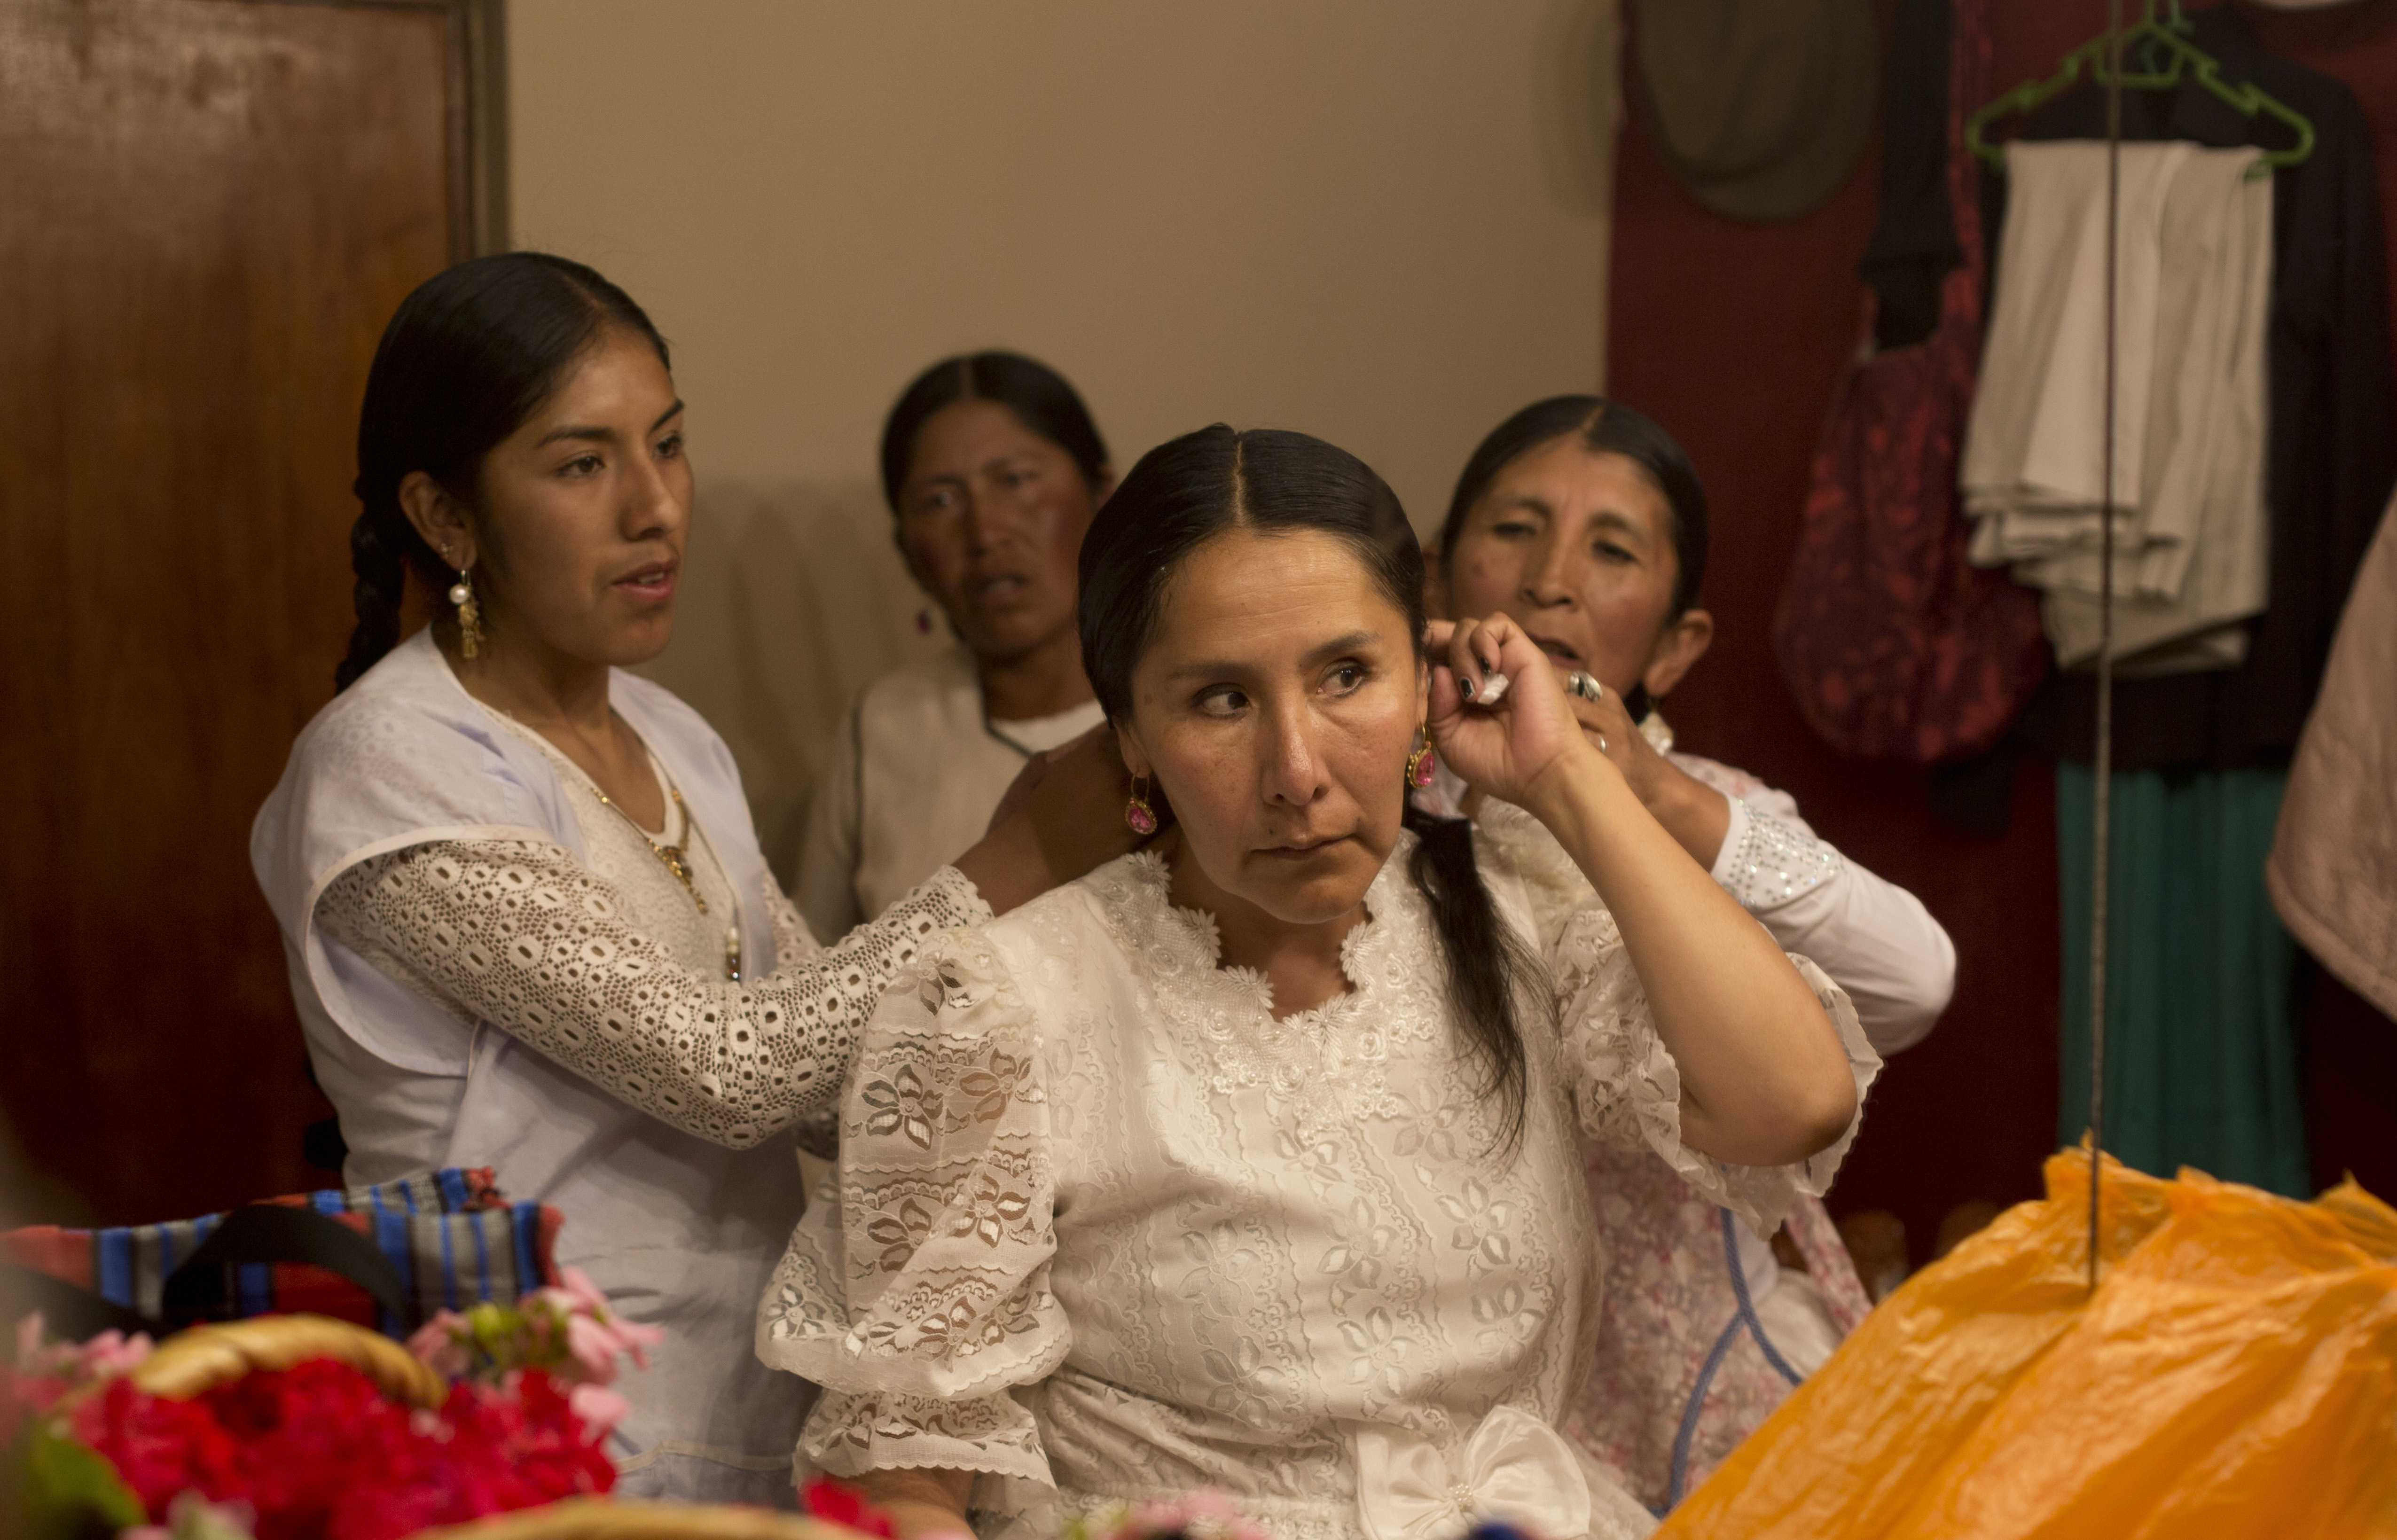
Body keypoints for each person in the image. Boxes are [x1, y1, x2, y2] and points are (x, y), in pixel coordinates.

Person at [758, 425, 1880, 1540]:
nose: (1295, 773)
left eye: (1348, 675)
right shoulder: (993, 1004)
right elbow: (900, 1477)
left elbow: (1790, 1102)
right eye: (1219, 700)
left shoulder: (1512, 906)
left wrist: (1561, 777)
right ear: (1129, 737)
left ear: (1425, 678)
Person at [251, 255, 1134, 1504]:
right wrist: (1016, 858)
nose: (655, 505)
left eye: (667, 445)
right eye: (580, 464)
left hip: (748, 1401)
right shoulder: (387, 768)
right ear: (447, 518)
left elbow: (829, 1060)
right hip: (534, 1433)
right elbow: (734, 1069)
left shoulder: (673, 736)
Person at [1426, 395, 1958, 1507]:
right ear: (1439, 577)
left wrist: (1650, 793)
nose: (1549, 578)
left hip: (1712, 1384)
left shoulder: (1722, 811)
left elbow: (1913, 984)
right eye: (1514, 528)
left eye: (1609, 548)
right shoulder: (1361, 815)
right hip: (1463, 1406)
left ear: (1676, 643)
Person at [794, 352, 1113, 940]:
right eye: (940, 501)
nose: (985, 533)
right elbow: (814, 974)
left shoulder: (1177, 707)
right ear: (907, 552)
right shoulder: (884, 723)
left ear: (1102, 493)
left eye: (1016, 480)